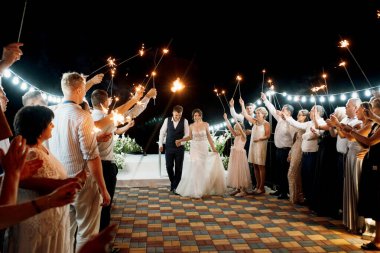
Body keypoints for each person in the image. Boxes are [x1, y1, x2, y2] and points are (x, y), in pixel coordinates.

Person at [5, 105, 85, 253]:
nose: (53, 126)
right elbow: (32, 184)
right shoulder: (31, 153)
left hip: (51, 217)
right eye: (49, 123)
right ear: (39, 127)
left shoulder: (42, 148)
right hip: (38, 222)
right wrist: (69, 182)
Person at [48, 72, 110, 252]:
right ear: (79, 89)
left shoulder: (53, 113)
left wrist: (96, 139)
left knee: (66, 230)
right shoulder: (83, 116)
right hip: (82, 182)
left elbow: (65, 142)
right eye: (83, 89)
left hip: (60, 180)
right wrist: (103, 189)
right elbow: (92, 157)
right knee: (87, 231)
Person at [90, 87, 154, 231]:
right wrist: (146, 97)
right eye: (108, 101)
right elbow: (132, 112)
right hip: (104, 167)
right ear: (104, 102)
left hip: (89, 167)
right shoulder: (107, 119)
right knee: (105, 206)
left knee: (92, 205)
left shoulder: (88, 116)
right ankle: (102, 243)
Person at [175, 109, 226, 198]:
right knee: (196, 166)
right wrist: (180, 140)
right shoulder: (191, 126)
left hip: (203, 147)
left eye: (198, 115)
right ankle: (196, 190)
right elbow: (190, 137)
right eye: (195, 115)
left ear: (201, 116)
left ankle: (203, 189)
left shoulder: (206, 124)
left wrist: (214, 148)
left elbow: (209, 137)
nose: (196, 117)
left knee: (203, 167)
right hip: (194, 148)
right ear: (193, 117)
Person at [261, 92, 295, 199]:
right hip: (278, 149)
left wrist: (290, 152)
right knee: (279, 171)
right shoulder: (280, 119)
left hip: (286, 150)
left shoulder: (291, 122)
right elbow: (272, 109)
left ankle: (285, 193)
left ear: (289, 112)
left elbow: (294, 139)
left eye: (284, 109)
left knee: (285, 171)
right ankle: (280, 190)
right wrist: (265, 100)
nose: (281, 110)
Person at [240, 101, 271, 195]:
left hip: (261, 145)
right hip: (253, 145)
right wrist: (242, 104)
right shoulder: (255, 121)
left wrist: (259, 139)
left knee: (261, 165)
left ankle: (262, 187)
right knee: (254, 165)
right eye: (256, 113)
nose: (256, 114)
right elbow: (245, 114)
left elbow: (268, 135)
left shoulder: (266, 124)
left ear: (264, 114)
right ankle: (257, 186)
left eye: (258, 113)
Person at [159, 105, 189, 193]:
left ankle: (175, 187)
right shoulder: (167, 120)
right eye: (176, 115)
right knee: (169, 166)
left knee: (178, 168)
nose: (178, 117)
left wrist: (181, 142)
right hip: (169, 147)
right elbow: (162, 132)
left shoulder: (185, 121)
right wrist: (161, 144)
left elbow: (187, 135)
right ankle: (174, 183)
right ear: (173, 113)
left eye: (180, 115)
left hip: (180, 148)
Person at [229, 99, 256, 187]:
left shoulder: (257, 117)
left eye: (250, 108)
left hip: (256, 142)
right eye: (247, 108)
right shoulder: (243, 117)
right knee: (246, 162)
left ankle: (255, 183)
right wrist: (232, 106)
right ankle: (247, 182)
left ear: (253, 109)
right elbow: (234, 115)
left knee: (255, 162)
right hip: (245, 142)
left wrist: (251, 131)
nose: (248, 110)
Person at [223, 113, 251, 197]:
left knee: (241, 171)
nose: (235, 131)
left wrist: (236, 121)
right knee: (236, 171)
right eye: (235, 130)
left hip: (240, 156)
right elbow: (230, 128)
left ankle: (243, 190)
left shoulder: (243, 136)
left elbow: (241, 129)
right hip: (235, 156)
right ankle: (237, 188)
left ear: (241, 129)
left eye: (237, 129)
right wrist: (226, 119)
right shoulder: (236, 136)